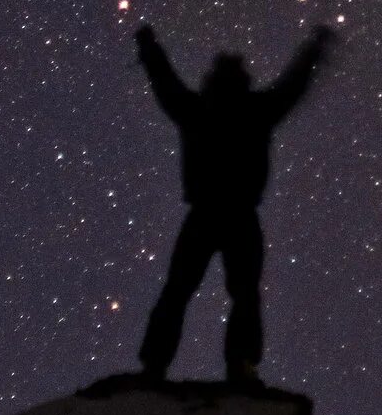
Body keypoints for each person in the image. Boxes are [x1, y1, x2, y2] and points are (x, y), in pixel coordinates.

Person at [132, 22, 334, 388]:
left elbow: (164, 82)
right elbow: (293, 85)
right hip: (240, 214)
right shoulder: (257, 110)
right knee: (242, 293)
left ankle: (155, 365)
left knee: (179, 289)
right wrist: (312, 52)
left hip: (205, 213)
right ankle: (241, 366)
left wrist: (149, 48)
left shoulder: (197, 109)